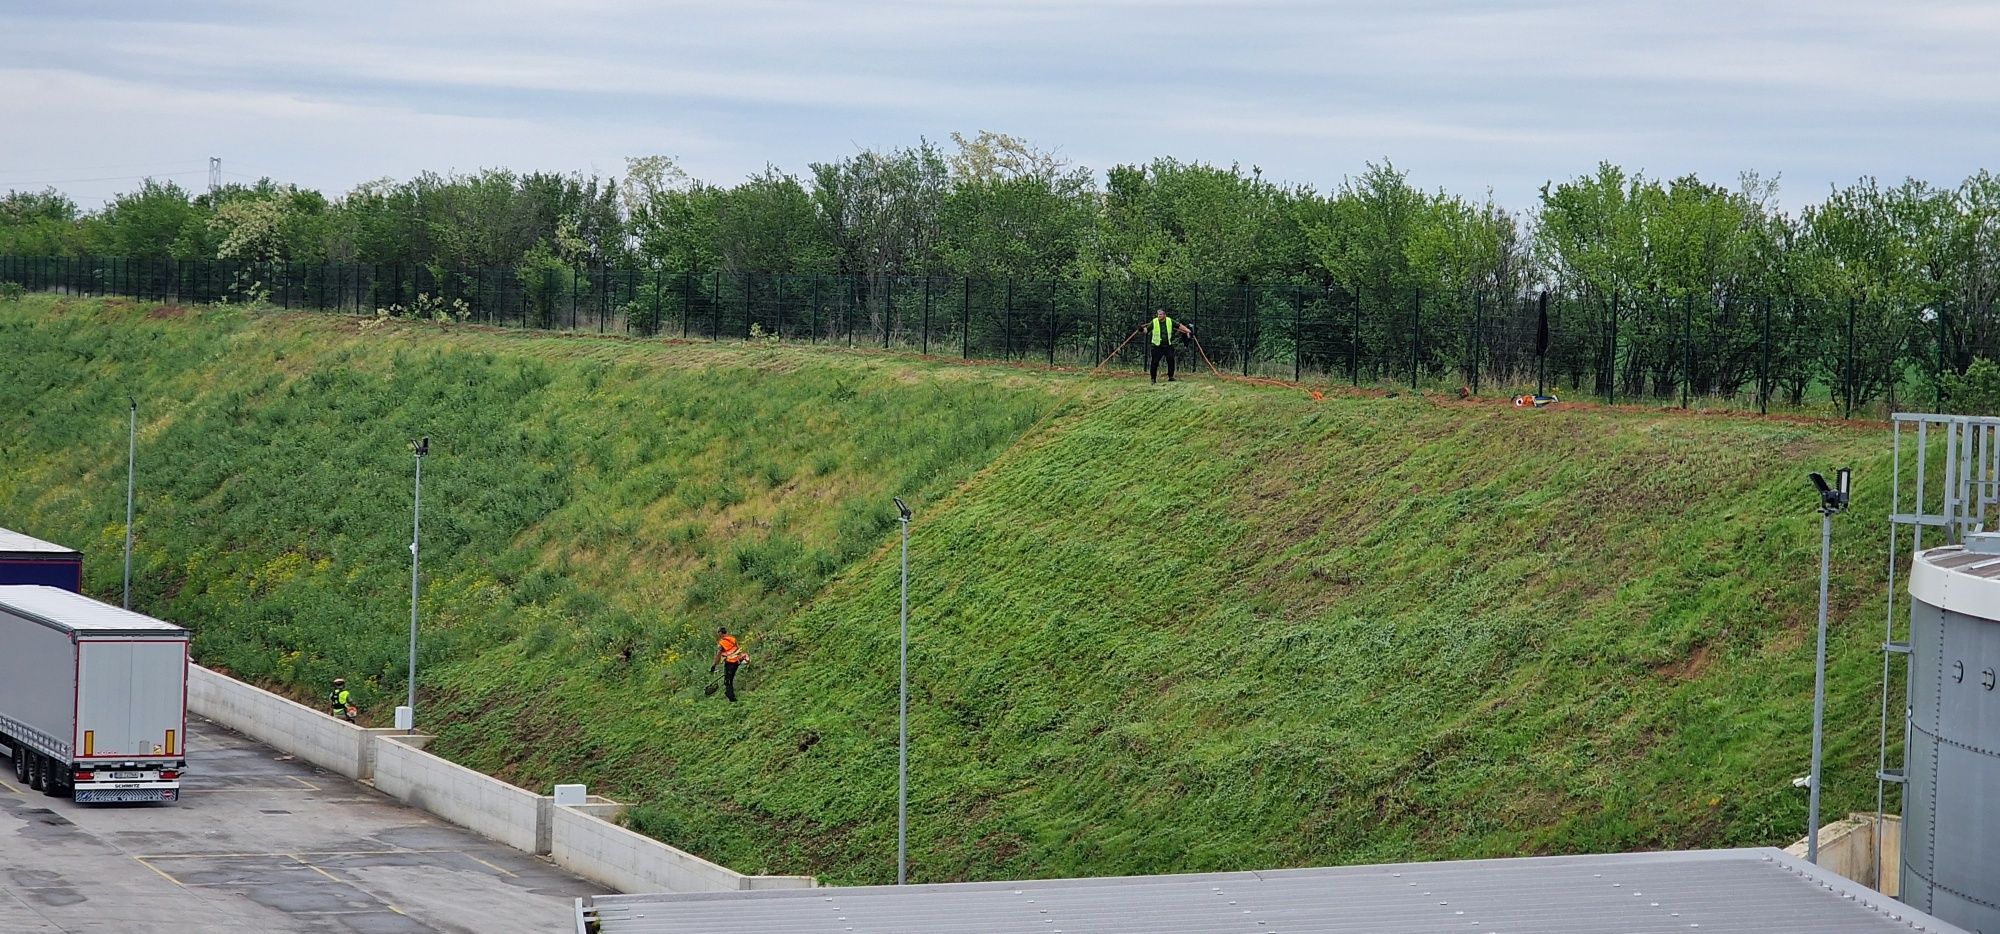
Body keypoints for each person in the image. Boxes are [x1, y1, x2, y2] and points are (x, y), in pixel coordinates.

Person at [1147, 309, 1193, 383]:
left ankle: (1171, 376)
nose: (1159, 316)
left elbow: (1179, 326)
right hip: (1157, 346)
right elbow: (1146, 330)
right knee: (1154, 362)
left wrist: (1188, 331)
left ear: (1165, 315)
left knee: (1171, 359)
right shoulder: (1154, 322)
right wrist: (1141, 330)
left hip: (1167, 345)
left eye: (1161, 314)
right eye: (1158, 314)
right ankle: (1153, 378)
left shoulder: (1169, 321)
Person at [710, 627, 748, 702]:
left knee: (728, 681)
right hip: (737, 661)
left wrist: (714, 665)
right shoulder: (732, 638)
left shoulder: (722, 643)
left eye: (718, 633)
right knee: (730, 678)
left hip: (730, 663)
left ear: (720, 633)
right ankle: (729, 694)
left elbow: (718, 655)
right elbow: (738, 648)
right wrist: (741, 658)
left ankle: (732, 698)